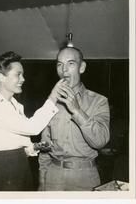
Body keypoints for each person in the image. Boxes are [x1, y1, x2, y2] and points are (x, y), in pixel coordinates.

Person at [0, 51, 64, 191]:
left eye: (22, 74)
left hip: (20, 165)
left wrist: (35, 147)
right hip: (4, 168)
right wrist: (53, 96)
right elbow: (32, 128)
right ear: (1, 77)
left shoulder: (14, 105)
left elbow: (16, 144)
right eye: (18, 74)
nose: (23, 79)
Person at [38, 47, 110, 191]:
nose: (64, 70)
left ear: (81, 67)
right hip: (53, 176)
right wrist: (42, 180)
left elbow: (101, 141)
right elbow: (45, 145)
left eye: (70, 63)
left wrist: (77, 111)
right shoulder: (51, 103)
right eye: (59, 64)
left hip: (84, 177)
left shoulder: (99, 101)